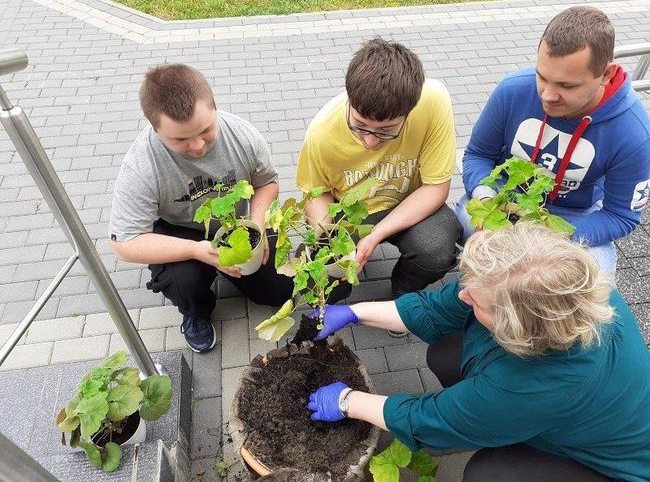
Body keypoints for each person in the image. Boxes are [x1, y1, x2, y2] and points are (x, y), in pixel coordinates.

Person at [306, 223, 650, 481]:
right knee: (444, 353)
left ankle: (499, 428)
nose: (464, 295)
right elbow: (438, 307)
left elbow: (429, 420)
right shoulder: (560, 286)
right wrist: (355, 312)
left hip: (612, 461)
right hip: (560, 407)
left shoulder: (536, 386)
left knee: (488, 473)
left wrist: (346, 401)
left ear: (515, 327)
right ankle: (495, 423)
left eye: (478, 300)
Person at [109, 63, 293, 353]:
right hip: (181, 231)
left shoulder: (243, 136)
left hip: (238, 226)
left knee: (279, 290)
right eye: (180, 139)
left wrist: (257, 221)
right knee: (185, 284)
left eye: (206, 130)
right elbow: (125, 243)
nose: (197, 146)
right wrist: (198, 251)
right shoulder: (141, 166)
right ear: (155, 129)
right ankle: (196, 313)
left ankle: (239, 272)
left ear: (215, 108)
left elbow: (267, 183)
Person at [457, 6, 650, 276]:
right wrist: (487, 198)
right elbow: (478, 154)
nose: (547, 95)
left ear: (606, 74)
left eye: (566, 86)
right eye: (542, 77)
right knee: (476, 239)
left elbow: (620, 216)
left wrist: (548, 234)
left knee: (594, 281)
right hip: (502, 199)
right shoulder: (512, 90)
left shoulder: (634, 133)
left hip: (575, 216)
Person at [296, 37, 463, 313]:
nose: (370, 142)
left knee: (437, 250)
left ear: (410, 111)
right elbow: (317, 193)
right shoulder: (321, 132)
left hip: (408, 202)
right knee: (315, 278)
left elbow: (435, 187)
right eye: (360, 126)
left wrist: (376, 235)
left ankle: (402, 293)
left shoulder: (433, 101)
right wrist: (330, 237)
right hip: (349, 211)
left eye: (385, 131)